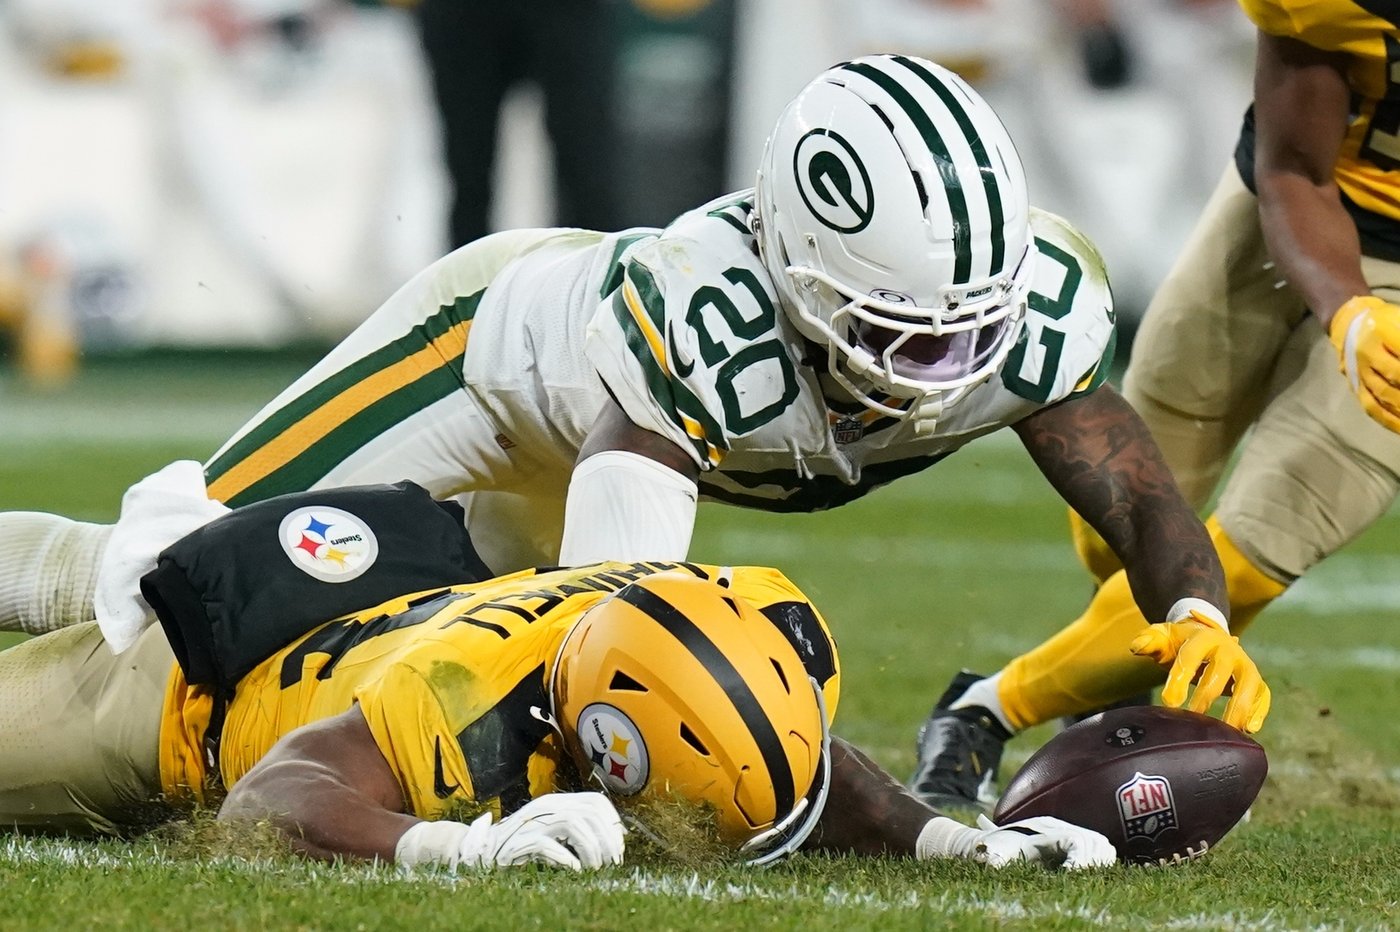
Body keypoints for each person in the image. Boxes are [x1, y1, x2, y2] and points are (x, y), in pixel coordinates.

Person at [0, 55, 1265, 737]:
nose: (942, 369)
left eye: (969, 330)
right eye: (898, 331)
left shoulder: (1029, 312)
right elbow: (617, 616)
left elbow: (1138, 497)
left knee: (397, 667)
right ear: (800, 271)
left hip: (601, 448)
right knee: (176, 572)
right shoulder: (707, 327)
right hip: (485, 364)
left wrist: (1197, 612)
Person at [0, 490, 1116, 870]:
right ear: (605, 744)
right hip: (179, 701)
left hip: (357, 606)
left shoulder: (697, 626)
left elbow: (787, 756)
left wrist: (953, 840)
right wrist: (455, 846)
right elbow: (268, 799)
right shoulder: (462, 703)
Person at [908, 0, 1400, 811]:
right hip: (1282, 210)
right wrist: (1348, 311)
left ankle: (986, 709)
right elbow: (1294, 172)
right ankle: (1111, 685)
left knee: (1249, 556)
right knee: (1129, 513)